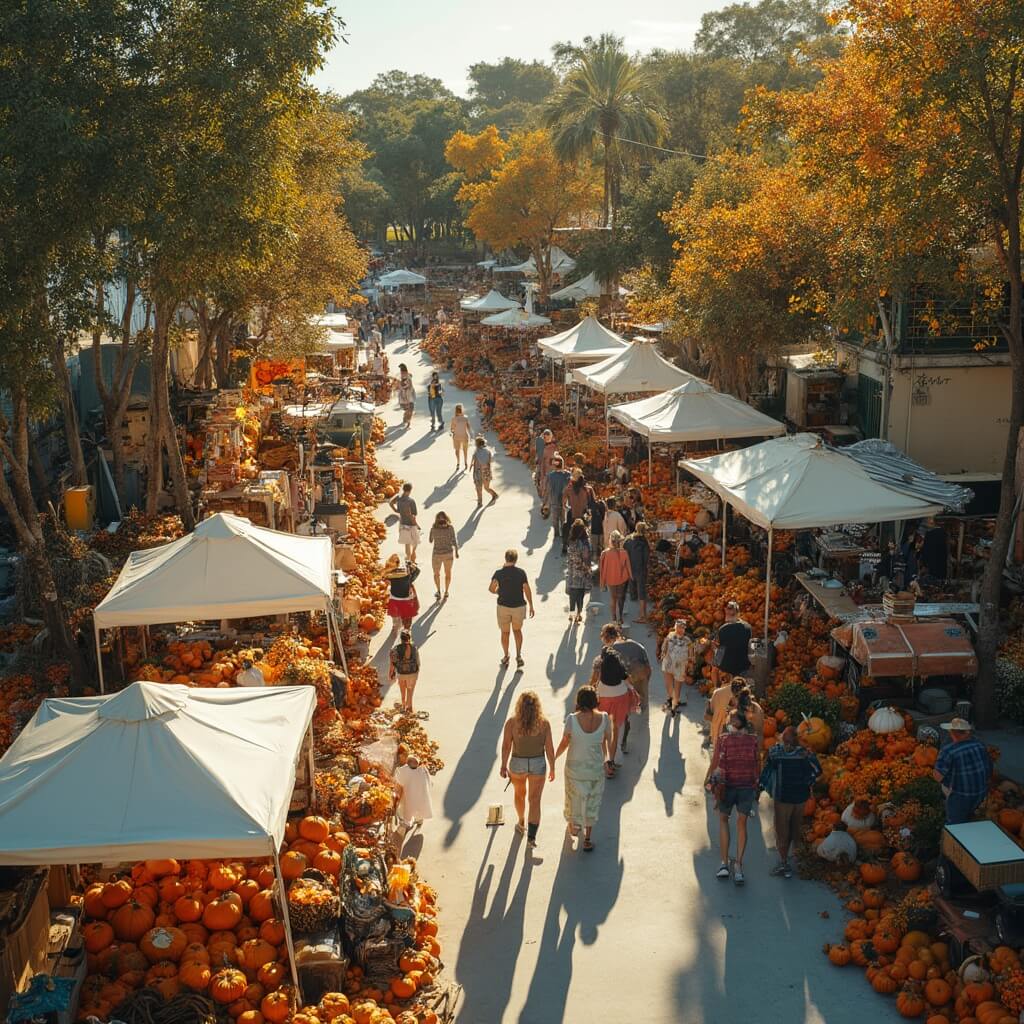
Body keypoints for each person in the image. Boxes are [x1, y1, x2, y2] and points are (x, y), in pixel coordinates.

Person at [554, 686, 614, 852]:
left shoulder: (572, 719)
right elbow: (609, 739)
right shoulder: (604, 718)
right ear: (596, 701)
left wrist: (553, 759)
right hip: (595, 769)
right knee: (592, 802)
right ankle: (587, 839)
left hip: (574, 769)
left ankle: (573, 826)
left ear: (579, 701)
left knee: (573, 798)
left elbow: (565, 742)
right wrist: (608, 759)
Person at [759, 726, 821, 878]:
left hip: (782, 797)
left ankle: (784, 864)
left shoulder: (775, 753)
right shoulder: (805, 754)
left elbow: (767, 770)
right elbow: (817, 771)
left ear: (782, 738)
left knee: (782, 831)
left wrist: (761, 787)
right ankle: (799, 861)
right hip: (800, 798)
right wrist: (809, 782)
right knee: (796, 828)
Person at [708, 709, 760, 885]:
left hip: (728, 786)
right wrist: (756, 784)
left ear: (733, 723)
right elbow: (756, 763)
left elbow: (720, 764)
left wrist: (712, 784)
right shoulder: (753, 740)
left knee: (723, 820)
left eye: (730, 719)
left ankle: (724, 864)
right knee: (742, 824)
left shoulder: (723, 739)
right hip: (746, 787)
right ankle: (738, 865)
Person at [500, 691, 555, 848]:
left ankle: (521, 821)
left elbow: (506, 746)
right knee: (535, 800)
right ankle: (531, 837)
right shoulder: (544, 723)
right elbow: (549, 748)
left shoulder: (511, 723)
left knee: (519, 794)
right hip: (538, 763)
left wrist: (504, 765)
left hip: (518, 763)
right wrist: (552, 767)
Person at [934, 718, 993, 824]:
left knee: (955, 825)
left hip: (961, 796)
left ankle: (954, 832)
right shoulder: (980, 745)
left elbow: (938, 777)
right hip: (981, 793)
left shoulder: (948, 751)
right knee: (970, 818)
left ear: (952, 733)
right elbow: (989, 769)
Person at [589, 641, 632, 771]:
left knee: (602, 730)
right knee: (615, 730)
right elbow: (627, 679)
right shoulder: (619, 663)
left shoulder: (599, 663)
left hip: (604, 696)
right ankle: (611, 761)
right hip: (620, 696)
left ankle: (604, 760)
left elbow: (594, 680)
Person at [489, 548, 534, 668]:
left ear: (505, 558)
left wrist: (500, 591)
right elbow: (527, 589)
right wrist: (531, 605)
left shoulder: (498, 573)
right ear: (516, 560)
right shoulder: (521, 573)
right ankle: (518, 656)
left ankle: (506, 656)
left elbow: (491, 588)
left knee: (505, 633)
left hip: (503, 606)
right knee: (517, 631)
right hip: (518, 607)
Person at [602, 623, 652, 711]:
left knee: (627, 700)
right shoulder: (635, 643)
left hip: (627, 677)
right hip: (642, 672)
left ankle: (629, 712)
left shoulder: (611, 650)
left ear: (606, 637)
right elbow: (647, 663)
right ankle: (640, 708)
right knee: (642, 695)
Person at [599, 530, 632, 624]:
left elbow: (602, 569)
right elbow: (628, 567)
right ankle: (620, 617)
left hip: (610, 579)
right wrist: (631, 577)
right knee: (620, 598)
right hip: (622, 579)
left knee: (613, 598)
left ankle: (613, 618)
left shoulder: (605, 553)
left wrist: (602, 583)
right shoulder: (624, 552)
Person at [659, 618, 691, 716]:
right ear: (675, 627)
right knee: (668, 685)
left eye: (682, 627)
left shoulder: (688, 641)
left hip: (680, 666)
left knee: (677, 687)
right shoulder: (670, 635)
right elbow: (664, 645)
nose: (679, 629)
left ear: (685, 629)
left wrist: (689, 666)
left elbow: (691, 654)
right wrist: (663, 653)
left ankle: (674, 705)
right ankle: (671, 700)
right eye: (678, 627)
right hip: (668, 663)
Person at [714, 601, 752, 682]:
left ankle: (716, 687)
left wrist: (716, 663)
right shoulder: (748, 627)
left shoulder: (723, 629)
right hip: (743, 665)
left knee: (714, 665)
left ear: (726, 613)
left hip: (727, 667)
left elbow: (720, 649)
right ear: (738, 613)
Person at [394, 754, 434, 830]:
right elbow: (429, 780)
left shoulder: (405, 770)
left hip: (410, 794)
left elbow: (399, 780)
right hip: (421, 793)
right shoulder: (422, 769)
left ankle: (407, 822)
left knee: (409, 808)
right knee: (421, 806)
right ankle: (419, 819)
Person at [565, 519, 592, 624]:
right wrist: (588, 568)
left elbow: (569, 557)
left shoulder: (571, 542)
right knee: (580, 594)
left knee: (572, 594)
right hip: (581, 572)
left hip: (572, 572)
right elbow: (586, 557)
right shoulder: (584, 543)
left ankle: (572, 614)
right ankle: (579, 614)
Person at [385, 555, 420, 634]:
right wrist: (411, 564)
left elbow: (385, 579)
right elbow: (417, 571)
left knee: (395, 616)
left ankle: (395, 627)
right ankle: (405, 632)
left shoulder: (390, 574)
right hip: (406, 598)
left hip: (394, 598)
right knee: (406, 617)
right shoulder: (407, 573)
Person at [623, 522, 651, 622]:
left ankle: (619, 614)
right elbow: (646, 558)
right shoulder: (644, 543)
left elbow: (623, 553)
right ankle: (643, 616)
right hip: (641, 570)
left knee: (626, 591)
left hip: (630, 569)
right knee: (642, 593)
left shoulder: (628, 540)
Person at [388, 629, 421, 712]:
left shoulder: (395, 649)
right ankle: (409, 707)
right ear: (409, 638)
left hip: (401, 674)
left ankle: (403, 705)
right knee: (410, 690)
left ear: (401, 639)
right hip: (413, 674)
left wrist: (391, 673)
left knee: (402, 690)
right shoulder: (414, 648)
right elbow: (418, 663)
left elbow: (392, 663)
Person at [428, 511, 458, 600]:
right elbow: (454, 540)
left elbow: (430, 541)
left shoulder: (433, 529)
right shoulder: (450, 528)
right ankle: (446, 592)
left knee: (436, 574)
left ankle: (438, 591)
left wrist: (433, 532)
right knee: (448, 573)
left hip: (437, 555)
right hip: (448, 554)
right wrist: (456, 552)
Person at [563, 470, 593, 555]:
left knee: (569, 530)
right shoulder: (588, 489)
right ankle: (586, 551)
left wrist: (569, 507)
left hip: (573, 514)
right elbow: (592, 502)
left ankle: (567, 547)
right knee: (585, 534)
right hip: (583, 515)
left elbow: (564, 503)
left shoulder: (568, 489)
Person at [389, 482, 420, 561]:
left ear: (403, 489)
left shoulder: (398, 498)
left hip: (403, 523)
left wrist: (396, 510)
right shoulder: (411, 501)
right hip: (411, 523)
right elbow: (413, 515)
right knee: (416, 541)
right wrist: (417, 525)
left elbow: (391, 502)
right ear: (410, 490)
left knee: (407, 542)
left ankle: (409, 558)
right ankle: (413, 554)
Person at [546, 456, 571, 547]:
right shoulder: (567, 475)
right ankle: (563, 535)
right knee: (563, 519)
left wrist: (546, 503)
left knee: (555, 520)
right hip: (564, 502)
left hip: (554, 501)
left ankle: (556, 534)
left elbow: (548, 490)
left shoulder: (550, 476)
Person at [470, 435, 499, 506]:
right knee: (486, 488)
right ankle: (494, 495)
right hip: (486, 472)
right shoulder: (488, 452)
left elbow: (475, 463)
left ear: (477, 444)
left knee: (478, 488)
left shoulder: (476, 453)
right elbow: (491, 461)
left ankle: (480, 502)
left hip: (478, 472)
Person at [450, 404, 472, 470]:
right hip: (465, 436)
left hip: (456, 436)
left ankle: (458, 463)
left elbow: (452, 429)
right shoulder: (466, 418)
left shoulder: (453, 419)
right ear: (462, 410)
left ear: (456, 411)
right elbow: (469, 427)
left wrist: (453, 432)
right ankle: (465, 462)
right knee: (465, 451)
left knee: (457, 450)